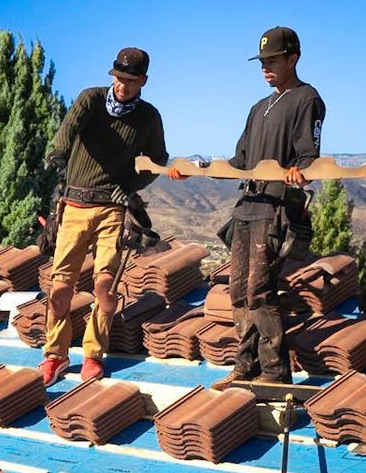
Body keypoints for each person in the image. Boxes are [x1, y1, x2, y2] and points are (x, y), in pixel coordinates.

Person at [173, 26, 325, 383]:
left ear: (293, 58)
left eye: (273, 60)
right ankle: (246, 366)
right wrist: (195, 171)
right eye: (262, 62)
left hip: (275, 209)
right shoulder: (258, 108)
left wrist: (299, 174)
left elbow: (308, 158)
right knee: (239, 291)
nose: (265, 67)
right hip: (247, 205)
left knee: (260, 291)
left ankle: (274, 372)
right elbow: (239, 162)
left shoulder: (307, 99)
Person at [41, 47, 169, 383]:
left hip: (112, 208)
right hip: (73, 206)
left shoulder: (148, 117)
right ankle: (54, 356)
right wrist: (58, 152)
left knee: (105, 288)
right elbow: (69, 129)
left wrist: (128, 187)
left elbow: (157, 160)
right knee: (60, 289)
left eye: (130, 80)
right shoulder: (92, 99)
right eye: (118, 78)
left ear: (143, 81)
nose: (122, 86)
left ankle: (93, 355)